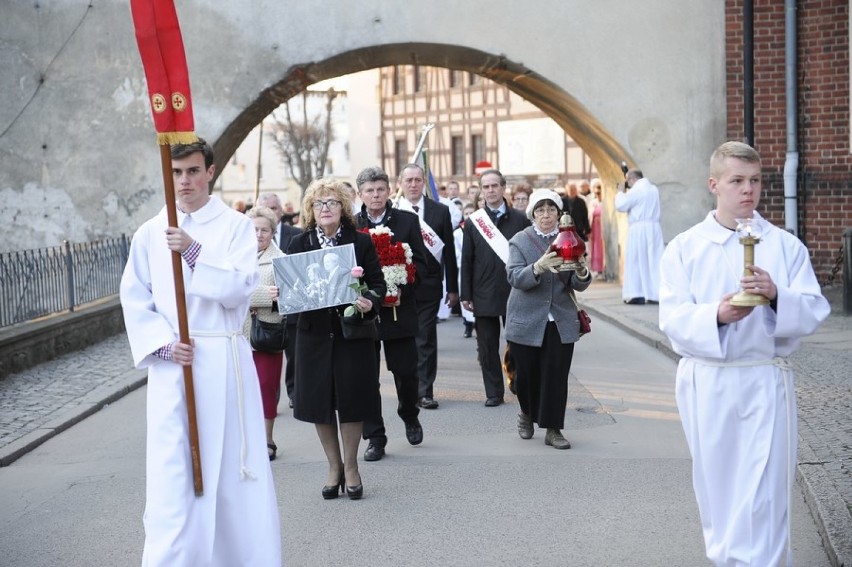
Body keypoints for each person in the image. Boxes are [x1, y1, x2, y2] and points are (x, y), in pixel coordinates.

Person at [658, 141, 830, 567]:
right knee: (719, 488)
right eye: (737, 181)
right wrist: (716, 315)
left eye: (755, 181)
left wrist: (776, 297)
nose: (748, 190)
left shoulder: (786, 246)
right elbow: (673, 317)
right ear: (714, 184)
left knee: (766, 491)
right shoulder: (685, 247)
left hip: (764, 378)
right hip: (709, 380)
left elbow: (813, 309)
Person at [120, 138, 280, 565]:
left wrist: (192, 252)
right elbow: (135, 297)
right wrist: (165, 345)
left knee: (230, 475)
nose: (184, 181)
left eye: (193, 171)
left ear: (210, 172)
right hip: (176, 366)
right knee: (175, 475)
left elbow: (239, 290)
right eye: (176, 173)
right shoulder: (149, 232)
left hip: (224, 362)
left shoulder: (236, 226)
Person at [286, 178, 386, 500]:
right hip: (313, 337)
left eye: (331, 202)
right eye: (318, 203)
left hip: (351, 335)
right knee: (320, 404)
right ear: (310, 211)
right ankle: (333, 466)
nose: (325, 208)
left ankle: (352, 466)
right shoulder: (298, 245)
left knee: (352, 400)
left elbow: (378, 285)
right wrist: (279, 295)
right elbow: (290, 293)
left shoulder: (360, 242)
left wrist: (369, 300)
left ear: (343, 208)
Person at [355, 166, 430, 461]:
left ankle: (409, 413)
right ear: (360, 194)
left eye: (380, 189)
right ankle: (375, 436)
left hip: (399, 309)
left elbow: (423, 265)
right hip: (365, 314)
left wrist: (404, 285)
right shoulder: (352, 225)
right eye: (369, 190)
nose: (375, 195)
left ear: (389, 191)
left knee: (407, 372)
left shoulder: (408, 221)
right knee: (365, 378)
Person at [505, 189, 591, 448]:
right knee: (526, 376)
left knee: (556, 376)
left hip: (560, 319)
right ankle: (527, 413)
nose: (546, 215)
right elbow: (514, 277)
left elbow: (577, 282)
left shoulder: (570, 239)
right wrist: (537, 267)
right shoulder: (520, 240)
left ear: (559, 213)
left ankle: (553, 429)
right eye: (541, 210)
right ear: (532, 213)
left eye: (551, 210)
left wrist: (582, 271)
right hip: (526, 318)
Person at [461, 168, 530, 406]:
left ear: (503, 188)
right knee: (487, 346)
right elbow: (466, 260)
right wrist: (465, 294)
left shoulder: (520, 219)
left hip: (515, 292)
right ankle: (493, 392)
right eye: (486, 187)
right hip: (484, 293)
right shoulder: (473, 222)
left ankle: (519, 383)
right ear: (482, 191)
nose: (490, 190)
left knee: (518, 344)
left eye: (494, 186)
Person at [395, 163, 459, 410]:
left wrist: (452, 288)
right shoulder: (394, 211)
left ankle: (425, 392)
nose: (413, 184)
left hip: (429, 285)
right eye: (408, 180)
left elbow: (450, 253)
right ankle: (406, 389)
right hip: (400, 285)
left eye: (417, 180)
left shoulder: (440, 211)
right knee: (405, 341)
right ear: (401, 183)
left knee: (425, 338)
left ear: (424, 183)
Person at [242, 206, 285, 461]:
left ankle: (267, 440)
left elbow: (285, 297)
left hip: (269, 333)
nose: (258, 234)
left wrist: (253, 297)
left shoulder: (280, 259)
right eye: (254, 229)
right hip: (239, 334)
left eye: (264, 230)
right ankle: (246, 439)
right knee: (241, 390)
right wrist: (263, 295)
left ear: (272, 232)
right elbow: (229, 293)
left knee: (266, 388)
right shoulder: (234, 258)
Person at [257, 192, 301, 408]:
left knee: (292, 355)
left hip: (290, 307)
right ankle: (269, 399)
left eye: (274, 208)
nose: (270, 212)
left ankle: (293, 393)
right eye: (265, 208)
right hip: (262, 317)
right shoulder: (244, 249)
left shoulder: (296, 234)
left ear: (281, 211)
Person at [614, 168, 665, 304]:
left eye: (628, 181)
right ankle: (655, 293)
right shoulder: (653, 189)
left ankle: (636, 293)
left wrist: (620, 192)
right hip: (654, 228)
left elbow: (620, 205)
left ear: (632, 179)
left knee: (636, 260)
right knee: (653, 261)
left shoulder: (637, 190)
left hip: (639, 229)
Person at [456, 202, 477, 338]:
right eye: (466, 213)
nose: (469, 216)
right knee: (465, 298)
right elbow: (457, 251)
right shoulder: (458, 233)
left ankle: (477, 326)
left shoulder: (480, 230)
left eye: (471, 213)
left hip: (478, 269)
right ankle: (467, 326)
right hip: (463, 268)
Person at [587, 178, 605, 279]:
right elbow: (590, 215)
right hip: (594, 227)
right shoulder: (592, 202)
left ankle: (602, 268)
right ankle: (595, 269)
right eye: (596, 188)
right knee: (594, 248)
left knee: (601, 248)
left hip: (602, 227)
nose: (597, 191)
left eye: (599, 188)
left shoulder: (605, 202)